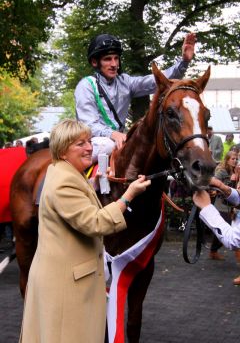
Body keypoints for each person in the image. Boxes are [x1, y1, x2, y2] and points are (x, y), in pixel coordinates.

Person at [19, 118, 151, 343]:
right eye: (80, 144)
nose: (89, 147)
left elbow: (76, 201)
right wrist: (128, 196)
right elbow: (95, 223)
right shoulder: (64, 182)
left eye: (89, 141)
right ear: (62, 151)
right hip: (66, 287)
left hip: (67, 281)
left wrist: (94, 184)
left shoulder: (64, 173)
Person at [75, 32, 196, 161]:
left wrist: (184, 62)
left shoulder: (125, 82)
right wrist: (112, 134)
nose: (114, 64)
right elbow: (88, 125)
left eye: (116, 58)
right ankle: (87, 180)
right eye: (108, 59)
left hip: (119, 139)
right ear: (94, 62)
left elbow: (159, 80)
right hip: (91, 142)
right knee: (107, 145)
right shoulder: (86, 86)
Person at [208, 150, 238, 260]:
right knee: (226, 228)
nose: (235, 161)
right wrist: (229, 182)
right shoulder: (221, 171)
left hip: (232, 206)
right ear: (227, 160)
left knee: (227, 229)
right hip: (221, 205)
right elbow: (214, 186)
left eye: (236, 159)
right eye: (232, 159)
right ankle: (214, 251)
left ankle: (213, 251)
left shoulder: (236, 171)